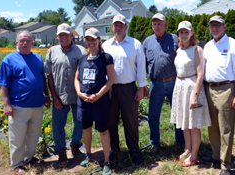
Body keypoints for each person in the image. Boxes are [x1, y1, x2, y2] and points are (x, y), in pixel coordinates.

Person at [0, 31, 50, 175]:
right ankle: (17, 164)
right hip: (18, 106)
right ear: (17, 43)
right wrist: (6, 104)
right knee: (17, 137)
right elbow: (3, 84)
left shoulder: (38, 58)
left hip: (37, 105)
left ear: (32, 42)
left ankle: (29, 158)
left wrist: (47, 96)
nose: (25, 43)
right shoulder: (9, 60)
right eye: (22, 41)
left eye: (28, 40)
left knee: (33, 135)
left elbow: (43, 79)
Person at [202, 15, 235, 175]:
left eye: (218, 25)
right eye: (212, 25)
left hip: (227, 89)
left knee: (226, 128)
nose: (214, 28)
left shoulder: (234, 45)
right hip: (209, 89)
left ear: (224, 26)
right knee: (212, 126)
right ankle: (216, 156)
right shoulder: (207, 46)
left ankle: (225, 164)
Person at [103, 14, 148, 165]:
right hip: (110, 89)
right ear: (112, 27)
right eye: (116, 25)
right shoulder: (106, 45)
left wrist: (141, 88)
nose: (118, 27)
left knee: (131, 122)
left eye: (121, 25)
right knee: (111, 121)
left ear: (126, 27)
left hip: (129, 88)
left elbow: (141, 67)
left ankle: (134, 151)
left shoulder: (135, 44)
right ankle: (114, 149)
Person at [45, 23, 87, 167]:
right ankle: (61, 151)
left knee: (79, 122)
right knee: (57, 125)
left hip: (77, 95)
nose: (64, 37)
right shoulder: (52, 51)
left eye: (66, 34)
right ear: (57, 37)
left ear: (72, 36)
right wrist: (54, 97)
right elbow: (49, 76)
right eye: (61, 35)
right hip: (59, 96)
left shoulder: (81, 51)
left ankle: (75, 146)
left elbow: (85, 73)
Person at [170, 21, 211, 167]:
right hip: (180, 87)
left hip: (192, 87)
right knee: (184, 122)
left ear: (192, 33)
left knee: (194, 124)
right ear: (178, 35)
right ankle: (188, 149)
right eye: (181, 32)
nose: (184, 35)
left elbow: (200, 74)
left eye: (187, 32)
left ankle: (194, 156)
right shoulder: (179, 50)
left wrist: (195, 95)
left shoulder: (197, 50)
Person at [74, 28, 114, 174]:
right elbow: (77, 79)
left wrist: (98, 94)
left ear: (99, 40)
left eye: (93, 39)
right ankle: (88, 154)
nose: (90, 42)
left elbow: (111, 80)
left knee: (103, 131)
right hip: (84, 101)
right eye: (88, 39)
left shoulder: (106, 58)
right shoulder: (82, 58)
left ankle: (107, 161)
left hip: (100, 100)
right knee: (86, 128)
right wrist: (79, 93)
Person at [143, 13, 185, 154]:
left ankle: (180, 141)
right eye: (154, 24)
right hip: (156, 84)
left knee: (178, 113)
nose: (157, 26)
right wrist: (143, 85)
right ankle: (155, 143)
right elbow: (143, 65)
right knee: (153, 115)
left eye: (160, 23)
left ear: (165, 25)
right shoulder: (147, 42)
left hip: (174, 82)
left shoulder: (175, 39)